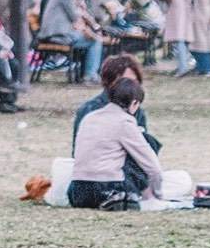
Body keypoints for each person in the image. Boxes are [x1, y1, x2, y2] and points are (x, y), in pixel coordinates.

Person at [66, 67, 165, 208]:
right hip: (107, 189)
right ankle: (147, 196)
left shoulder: (90, 117)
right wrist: (159, 194)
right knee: (148, 142)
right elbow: (152, 167)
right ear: (134, 103)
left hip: (77, 191)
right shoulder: (124, 121)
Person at [30, 0, 102, 83]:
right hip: (57, 35)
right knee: (95, 40)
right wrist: (82, 9)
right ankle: (90, 75)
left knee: (89, 38)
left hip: (53, 34)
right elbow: (74, 16)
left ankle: (85, 73)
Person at [160, 0, 194, 76]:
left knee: (178, 38)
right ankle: (184, 64)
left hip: (176, 5)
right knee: (184, 37)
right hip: (186, 6)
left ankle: (182, 67)